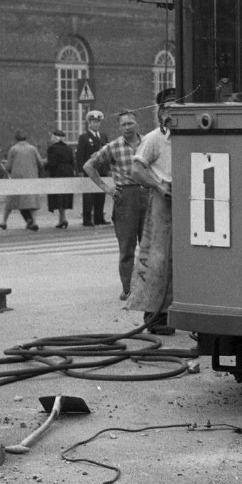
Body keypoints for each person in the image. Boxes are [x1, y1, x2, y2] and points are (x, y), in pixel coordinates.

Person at [83, 110, 147, 301]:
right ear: (119, 127)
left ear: (137, 124)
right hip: (125, 197)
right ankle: (128, 288)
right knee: (127, 246)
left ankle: (148, 287)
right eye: (123, 124)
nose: (127, 127)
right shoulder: (113, 146)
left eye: (130, 123)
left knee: (149, 246)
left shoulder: (148, 143)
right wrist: (106, 188)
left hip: (148, 193)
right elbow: (89, 165)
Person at [129, 89, 174, 332]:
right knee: (159, 257)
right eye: (167, 108)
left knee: (182, 258)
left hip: (187, 198)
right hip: (164, 199)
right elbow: (136, 169)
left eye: (176, 108)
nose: (171, 113)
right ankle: (156, 316)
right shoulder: (154, 138)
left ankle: (176, 311)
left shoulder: (189, 136)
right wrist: (158, 186)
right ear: (159, 112)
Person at [0, 130, 43, 230]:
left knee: (11, 200)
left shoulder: (13, 149)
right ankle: (34, 221)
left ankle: (4, 221)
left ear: (16, 138)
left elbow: (8, 166)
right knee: (32, 201)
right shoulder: (33, 149)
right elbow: (40, 163)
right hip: (31, 178)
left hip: (16, 178)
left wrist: (4, 166)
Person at [77, 110, 108, 227]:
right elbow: (80, 155)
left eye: (98, 122)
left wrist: (108, 168)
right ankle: (87, 219)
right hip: (89, 171)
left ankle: (99, 218)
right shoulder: (84, 137)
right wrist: (80, 170)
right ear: (89, 124)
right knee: (89, 196)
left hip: (102, 170)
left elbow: (107, 153)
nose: (96, 124)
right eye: (94, 122)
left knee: (101, 193)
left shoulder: (103, 136)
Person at [45, 130, 76, 228]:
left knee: (58, 196)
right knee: (64, 196)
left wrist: (45, 166)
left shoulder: (52, 148)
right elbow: (72, 161)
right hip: (68, 172)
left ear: (55, 137)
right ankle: (62, 218)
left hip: (57, 173)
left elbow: (52, 163)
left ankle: (62, 218)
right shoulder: (68, 148)